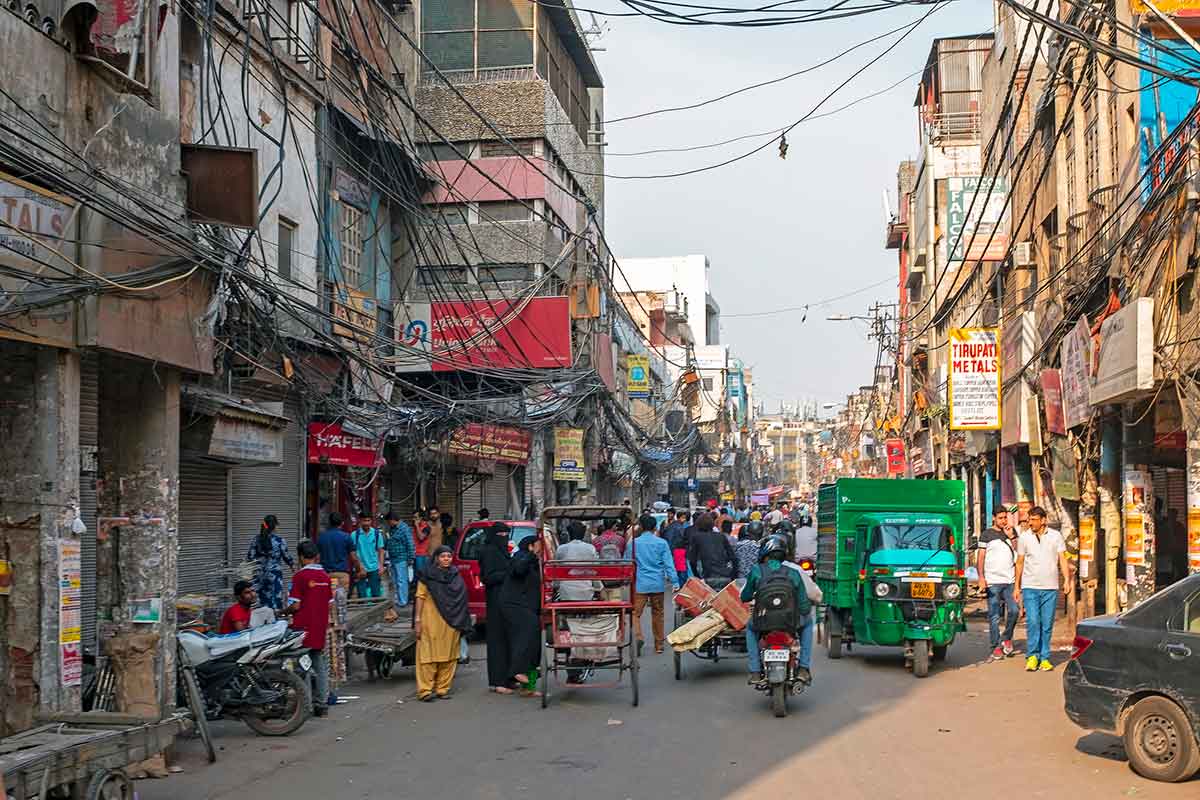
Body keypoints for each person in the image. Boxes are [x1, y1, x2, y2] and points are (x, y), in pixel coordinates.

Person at [742, 534, 814, 684]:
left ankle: (755, 670)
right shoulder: (793, 573)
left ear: (764, 553)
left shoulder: (756, 571)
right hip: (790, 622)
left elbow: (745, 596)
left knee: (750, 629)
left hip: (762, 622)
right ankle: (803, 668)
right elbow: (804, 606)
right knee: (808, 623)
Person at [1015, 506, 1069, 672]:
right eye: (1029, 519)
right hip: (1030, 586)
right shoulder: (1024, 538)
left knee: (1046, 624)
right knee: (1032, 621)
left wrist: (1067, 580)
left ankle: (1045, 657)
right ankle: (1032, 655)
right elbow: (1020, 562)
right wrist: (1016, 587)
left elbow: (1063, 559)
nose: (1030, 523)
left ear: (1043, 520)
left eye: (1034, 519)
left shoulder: (1056, 536)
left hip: (1050, 587)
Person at [413, 545, 471, 700]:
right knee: (428, 654)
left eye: (449, 556)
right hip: (430, 619)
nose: (446, 559)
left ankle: (442, 689)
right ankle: (425, 690)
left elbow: (462, 597)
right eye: (443, 556)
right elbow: (420, 596)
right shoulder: (427, 574)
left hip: (452, 621)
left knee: (450, 654)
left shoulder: (455, 574)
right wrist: (417, 619)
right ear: (436, 558)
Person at [284, 541, 334, 716]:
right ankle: (322, 704)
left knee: (302, 666)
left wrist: (284, 611)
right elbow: (330, 605)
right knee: (319, 665)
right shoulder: (326, 578)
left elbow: (296, 606)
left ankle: (305, 706)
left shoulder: (299, 577)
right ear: (316, 556)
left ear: (300, 557)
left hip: (302, 629)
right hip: (319, 627)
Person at [630, 513, 679, 655]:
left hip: (640, 584)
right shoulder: (661, 543)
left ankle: (638, 636)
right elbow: (669, 564)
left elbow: (628, 562)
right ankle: (659, 645)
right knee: (658, 614)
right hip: (657, 583)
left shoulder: (633, 543)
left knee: (635, 613)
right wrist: (675, 581)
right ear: (654, 527)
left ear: (641, 527)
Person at [500, 535, 544, 691]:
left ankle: (529, 687)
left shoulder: (535, 561)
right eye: (539, 545)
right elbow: (518, 570)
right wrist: (533, 555)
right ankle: (517, 670)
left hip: (530, 606)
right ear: (531, 546)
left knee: (535, 642)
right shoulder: (520, 557)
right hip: (515, 605)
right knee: (527, 632)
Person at [976, 507, 1019, 660]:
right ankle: (995, 647)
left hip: (1010, 581)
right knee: (994, 616)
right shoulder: (986, 534)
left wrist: (1011, 537)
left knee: (1014, 611)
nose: (1003, 521)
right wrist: (981, 577)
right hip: (993, 581)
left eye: (1005, 517)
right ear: (994, 518)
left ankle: (1006, 638)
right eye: (1000, 518)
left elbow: (1018, 554)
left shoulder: (1011, 532)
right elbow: (980, 557)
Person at [479, 523, 513, 693]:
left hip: (506, 600)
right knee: (497, 642)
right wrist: (509, 572)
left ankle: (508, 678)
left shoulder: (502, 551)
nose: (504, 537)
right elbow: (488, 577)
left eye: (506, 534)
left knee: (508, 640)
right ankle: (498, 681)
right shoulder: (489, 551)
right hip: (495, 601)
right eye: (501, 534)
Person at [245, 514, 294, 611]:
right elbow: (287, 557)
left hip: (259, 576)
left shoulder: (256, 540)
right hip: (274, 577)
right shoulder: (279, 541)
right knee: (274, 602)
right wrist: (292, 567)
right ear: (275, 526)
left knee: (259, 603)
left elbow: (250, 557)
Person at [687, 512, 737, 587]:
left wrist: (697, 577)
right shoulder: (721, 536)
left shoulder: (697, 537)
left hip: (708, 577)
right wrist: (733, 575)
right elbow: (733, 558)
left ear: (698, 525)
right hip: (725, 576)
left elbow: (692, 561)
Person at [556, 521, 601, 601]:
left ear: (569, 534)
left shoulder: (561, 549)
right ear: (583, 534)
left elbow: (556, 571)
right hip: (586, 592)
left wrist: (555, 586)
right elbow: (595, 571)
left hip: (566, 593)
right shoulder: (590, 548)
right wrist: (598, 587)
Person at [317, 511, 357, 591]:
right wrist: (359, 569)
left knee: (327, 600)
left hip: (325, 574)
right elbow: (354, 558)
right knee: (340, 601)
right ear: (342, 523)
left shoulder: (321, 538)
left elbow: (317, 558)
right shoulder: (346, 537)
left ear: (329, 522)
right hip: (342, 575)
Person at [383, 511, 414, 607]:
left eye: (388, 521)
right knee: (395, 580)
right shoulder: (391, 529)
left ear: (392, 520)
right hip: (393, 558)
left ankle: (403, 601)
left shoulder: (404, 528)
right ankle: (399, 600)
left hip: (401, 558)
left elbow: (410, 543)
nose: (388, 523)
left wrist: (411, 558)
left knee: (401, 580)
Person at [352, 513, 386, 599]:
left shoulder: (377, 534)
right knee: (362, 597)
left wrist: (381, 566)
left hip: (374, 568)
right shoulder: (354, 535)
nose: (366, 523)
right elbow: (353, 553)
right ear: (360, 521)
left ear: (371, 521)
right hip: (360, 569)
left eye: (368, 520)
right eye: (364, 520)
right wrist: (359, 567)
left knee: (376, 595)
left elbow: (381, 551)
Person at [665, 510, 690, 585]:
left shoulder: (673, 525)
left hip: (675, 549)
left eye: (685, 518)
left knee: (678, 568)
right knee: (681, 569)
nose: (684, 520)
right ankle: (681, 584)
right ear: (679, 518)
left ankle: (679, 583)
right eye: (683, 518)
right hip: (678, 549)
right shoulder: (678, 527)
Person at [413, 511, 432, 575]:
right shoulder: (415, 527)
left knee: (421, 575)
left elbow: (421, 537)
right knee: (415, 575)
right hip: (415, 554)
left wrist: (417, 526)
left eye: (416, 517)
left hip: (422, 555)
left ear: (421, 518)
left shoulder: (426, 527)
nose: (414, 519)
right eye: (413, 517)